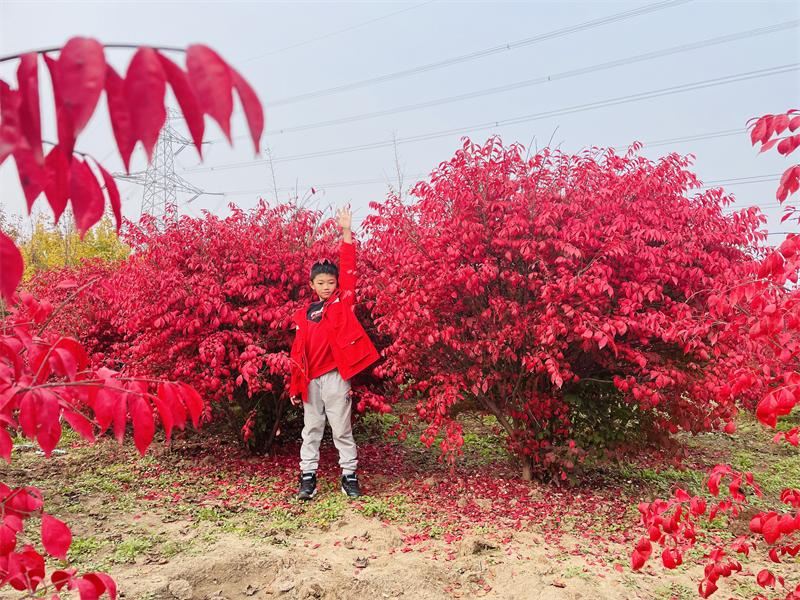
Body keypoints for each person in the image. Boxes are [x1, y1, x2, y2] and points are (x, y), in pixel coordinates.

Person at [288, 206, 380, 500]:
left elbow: (350, 269)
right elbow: (296, 353)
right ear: (312, 285)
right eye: (321, 283)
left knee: (341, 428)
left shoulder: (342, 303)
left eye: (331, 282)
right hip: (310, 380)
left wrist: (346, 233)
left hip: (336, 378)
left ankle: (349, 476)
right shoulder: (304, 314)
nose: (326, 287)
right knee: (311, 429)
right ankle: (308, 478)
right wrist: (295, 384)